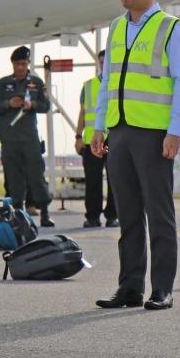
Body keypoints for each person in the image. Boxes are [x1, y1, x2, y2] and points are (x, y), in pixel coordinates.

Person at [91, 0, 180, 311]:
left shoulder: (171, 28)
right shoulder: (117, 28)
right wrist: (99, 125)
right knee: (128, 214)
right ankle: (130, 286)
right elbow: (107, 82)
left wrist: (174, 130)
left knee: (159, 214)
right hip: (119, 132)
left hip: (153, 134)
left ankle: (162, 288)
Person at [0, 46, 54, 227]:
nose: (21, 67)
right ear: (13, 64)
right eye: (18, 64)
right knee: (14, 178)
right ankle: (17, 215)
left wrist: (31, 104)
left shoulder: (36, 82)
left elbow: (46, 105)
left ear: (28, 64)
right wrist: (9, 103)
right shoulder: (3, 83)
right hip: (9, 137)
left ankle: (44, 213)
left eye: (24, 64)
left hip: (29, 138)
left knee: (36, 176)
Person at [75, 49, 117, 228]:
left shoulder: (118, 83)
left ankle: (112, 216)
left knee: (115, 178)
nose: (103, 64)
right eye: (101, 61)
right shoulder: (89, 85)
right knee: (93, 179)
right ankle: (92, 216)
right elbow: (83, 113)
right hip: (93, 140)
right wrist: (78, 136)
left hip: (114, 139)